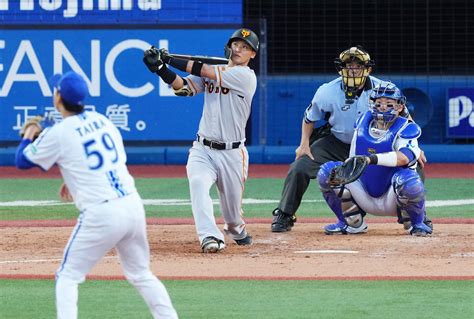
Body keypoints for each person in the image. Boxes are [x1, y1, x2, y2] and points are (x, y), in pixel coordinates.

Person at [15, 71, 191, 319]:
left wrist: (28, 135)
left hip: (101, 213)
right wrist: (72, 181)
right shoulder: (103, 120)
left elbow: (22, 162)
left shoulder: (58, 133)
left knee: (68, 275)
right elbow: (106, 164)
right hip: (132, 205)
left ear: (58, 97)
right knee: (141, 274)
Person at [271, 45, 429, 234]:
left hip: (375, 145)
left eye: (358, 65)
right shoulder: (326, 91)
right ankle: (285, 214)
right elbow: (309, 117)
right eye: (348, 65)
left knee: (414, 167)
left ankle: (418, 216)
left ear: (368, 69)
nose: (353, 69)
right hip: (336, 142)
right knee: (300, 167)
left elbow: (404, 116)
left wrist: (415, 148)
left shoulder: (384, 89)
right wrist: (304, 144)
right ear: (341, 68)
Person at [142, 28, 258, 253]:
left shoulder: (245, 76)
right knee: (197, 183)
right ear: (229, 46)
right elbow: (184, 88)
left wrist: (170, 58)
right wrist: (161, 69)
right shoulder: (216, 70)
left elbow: (201, 68)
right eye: (236, 44)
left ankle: (236, 229)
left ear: (252, 54)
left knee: (232, 216)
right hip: (203, 148)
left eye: (245, 47)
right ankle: (209, 236)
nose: (238, 49)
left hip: (233, 153)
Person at [317, 81, 433, 237]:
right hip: (363, 190)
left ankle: (417, 223)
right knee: (327, 172)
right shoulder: (362, 122)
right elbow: (353, 155)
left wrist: (371, 159)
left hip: (393, 196)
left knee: (409, 181)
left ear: (400, 107)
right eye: (379, 103)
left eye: (389, 103)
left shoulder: (407, 128)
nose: (383, 107)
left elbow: (403, 158)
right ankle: (351, 223)